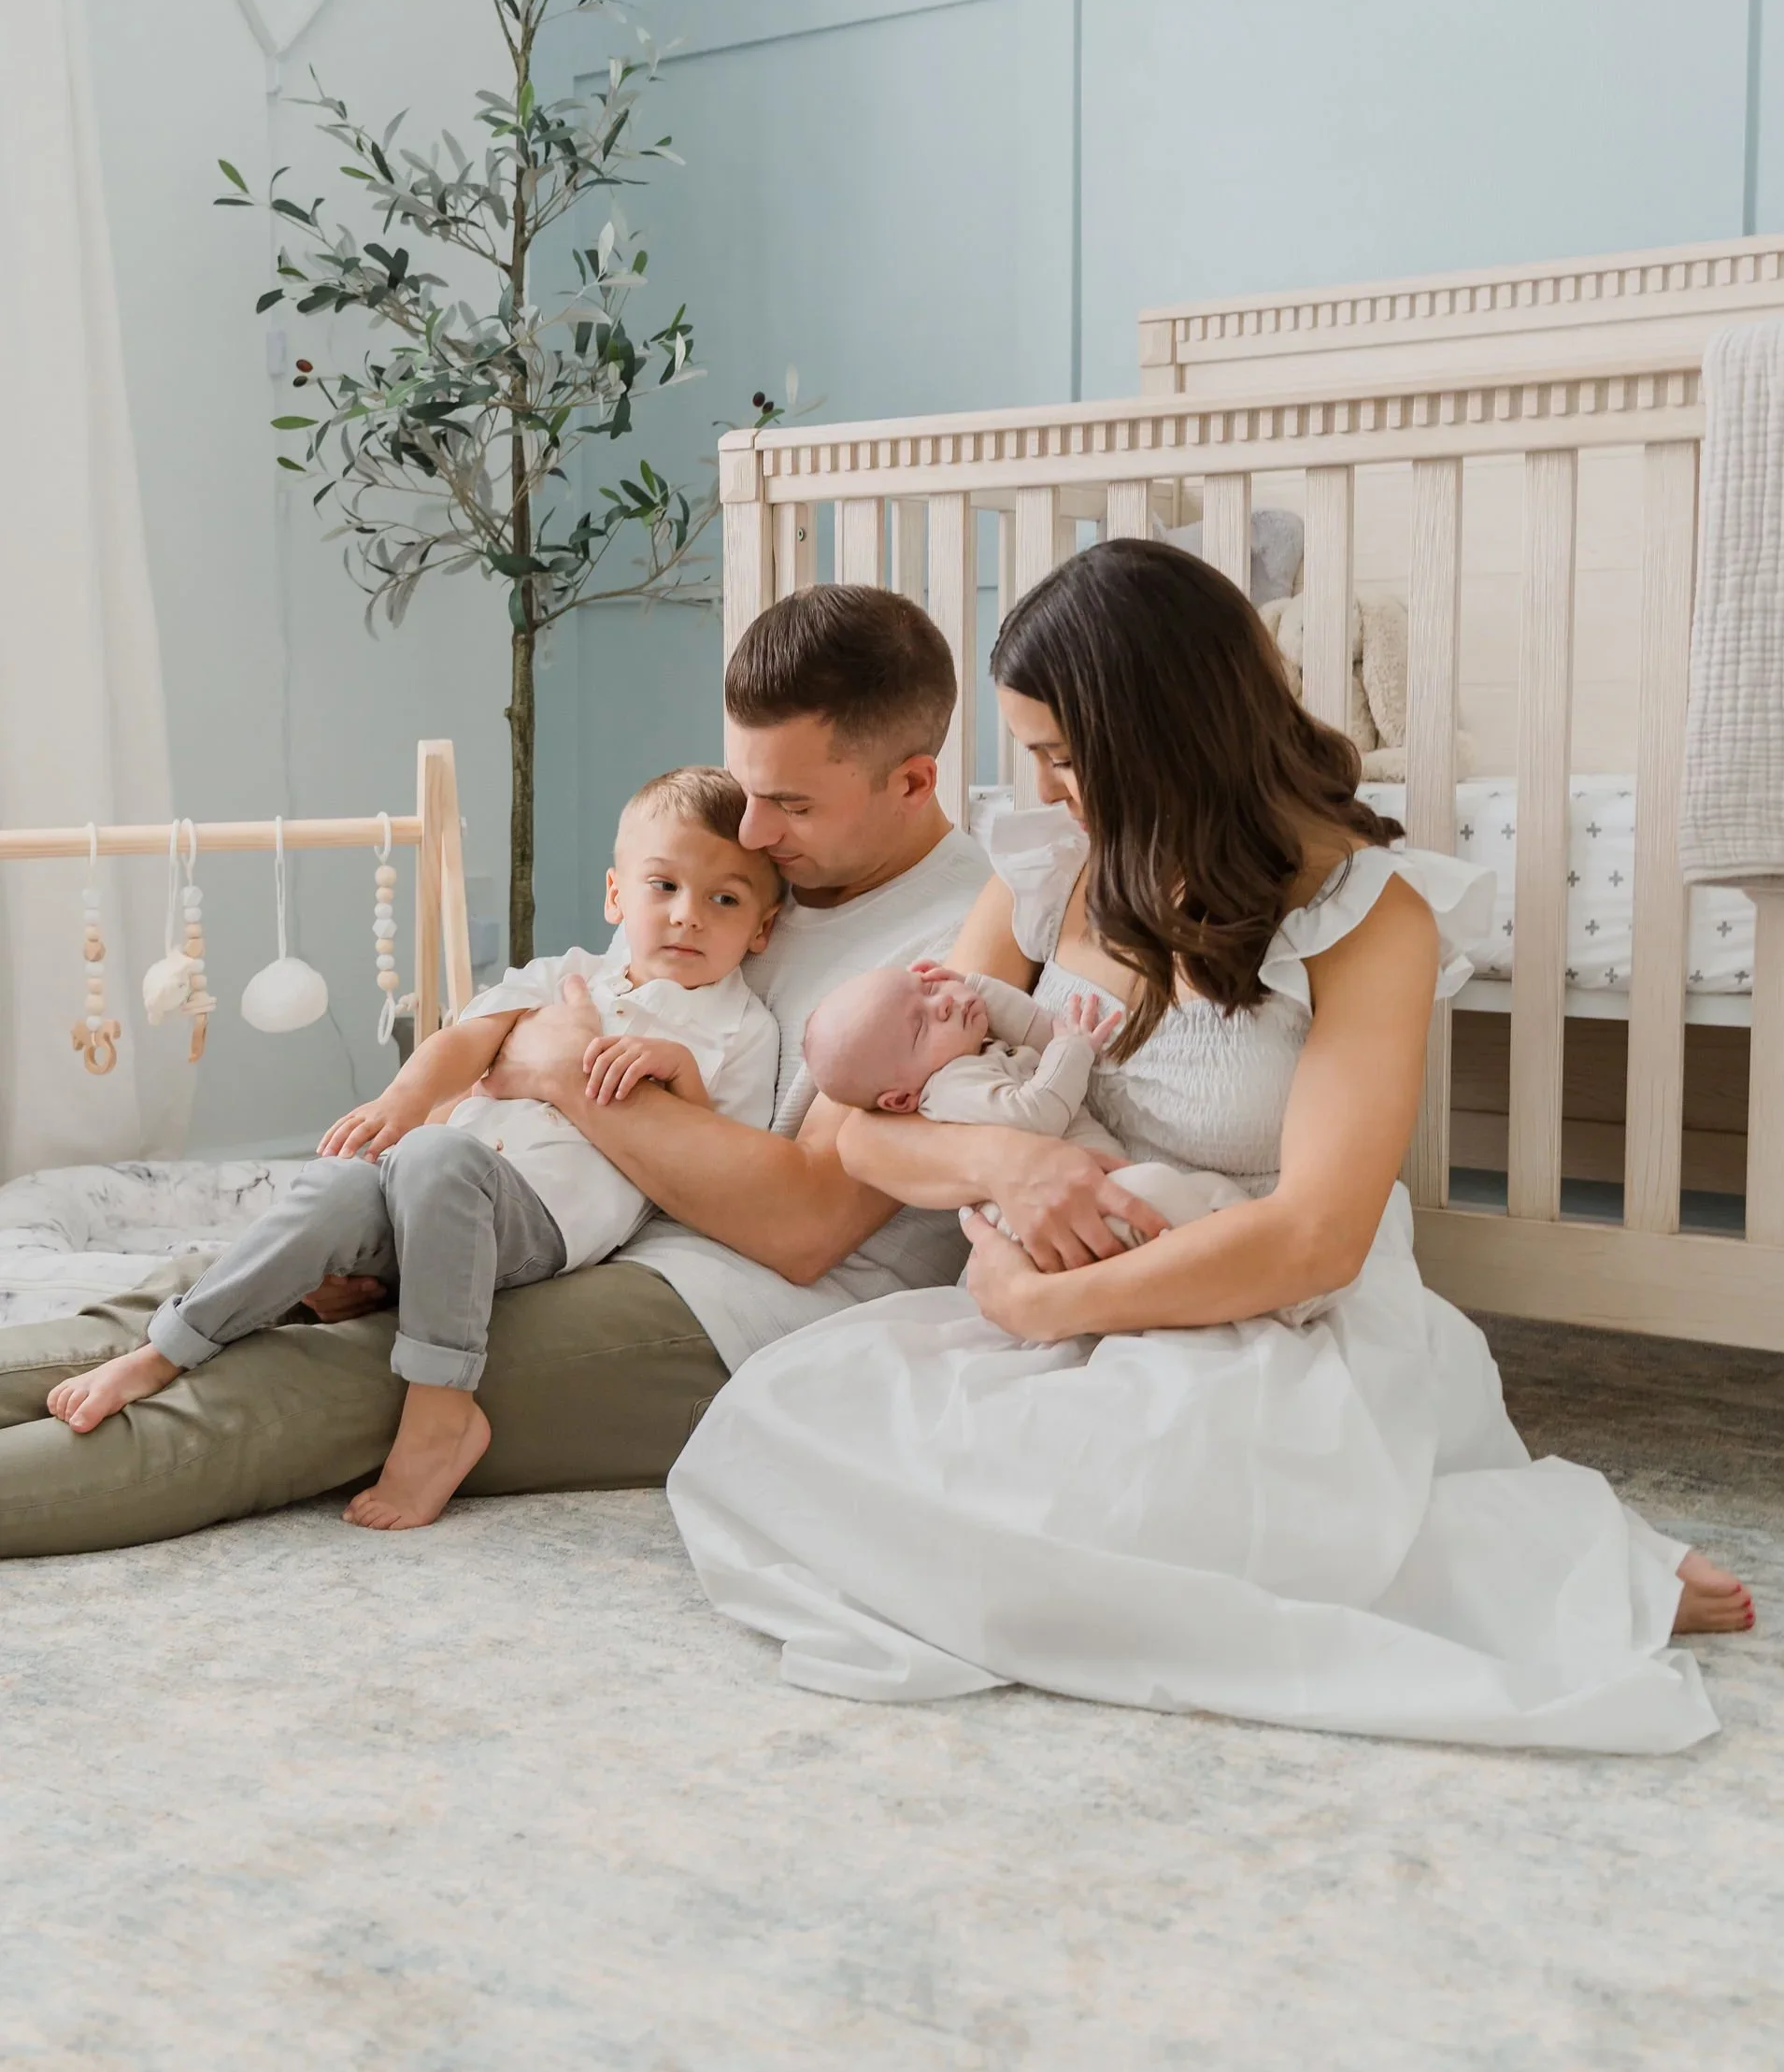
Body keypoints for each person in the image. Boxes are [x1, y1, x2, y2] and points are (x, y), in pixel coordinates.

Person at [669, 539, 1753, 1754]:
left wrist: (1039, 1312)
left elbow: (1318, 1237)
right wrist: (1006, 1168)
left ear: (1165, 736)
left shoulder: (1361, 917)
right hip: (1058, 1268)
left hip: (1263, 1301)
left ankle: (1550, 1553)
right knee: (783, 1429)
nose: (1041, 792)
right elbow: (863, 1131)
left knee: (1132, 1516)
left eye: (1064, 759)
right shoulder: (1051, 872)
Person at [0, 587, 1059, 1558]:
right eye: (744, 791)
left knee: (313, 1380)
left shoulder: (959, 938)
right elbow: (542, 1009)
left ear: (912, 781)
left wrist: (556, 1069)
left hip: (730, 1304)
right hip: (569, 1223)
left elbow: (803, 1227)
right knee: (217, 1289)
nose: (749, 831)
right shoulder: (744, 870)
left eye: (787, 804)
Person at [40, 768, 784, 1531]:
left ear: (761, 929)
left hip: (540, 1221)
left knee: (436, 1156)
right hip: (425, 1191)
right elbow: (466, 1040)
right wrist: (399, 1102)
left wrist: (682, 1081)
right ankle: (166, 1351)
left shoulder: (738, 1030)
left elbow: (725, 1173)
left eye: (724, 899)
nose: (688, 915)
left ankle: (442, 1412)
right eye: (664, 887)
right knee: (337, 1185)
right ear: (616, 896)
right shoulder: (566, 977)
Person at [804, 957, 1339, 1325]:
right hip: (1062, 1230)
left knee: (1202, 1190)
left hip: (1103, 1196)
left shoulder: (968, 1050)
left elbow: (1039, 1027)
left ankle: (1258, 1265)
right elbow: (1036, 1111)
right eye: (920, 1026)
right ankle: (1265, 1295)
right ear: (899, 1098)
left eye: (928, 988)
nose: (941, 1004)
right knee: (1161, 1187)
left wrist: (973, 987)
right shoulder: (950, 1088)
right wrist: (1074, 1048)